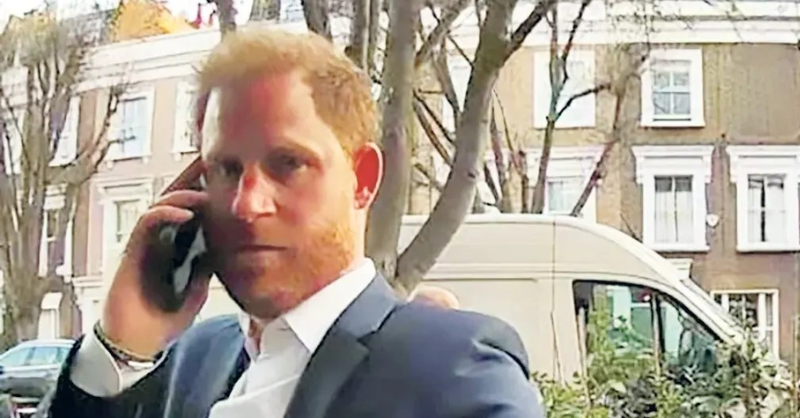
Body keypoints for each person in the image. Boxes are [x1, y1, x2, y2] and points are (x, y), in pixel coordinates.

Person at [46, 28, 545, 418]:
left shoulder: (452, 369)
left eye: (288, 164)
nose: (246, 204)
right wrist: (118, 346)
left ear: (363, 179)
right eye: (225, 169)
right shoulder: (190, 360)